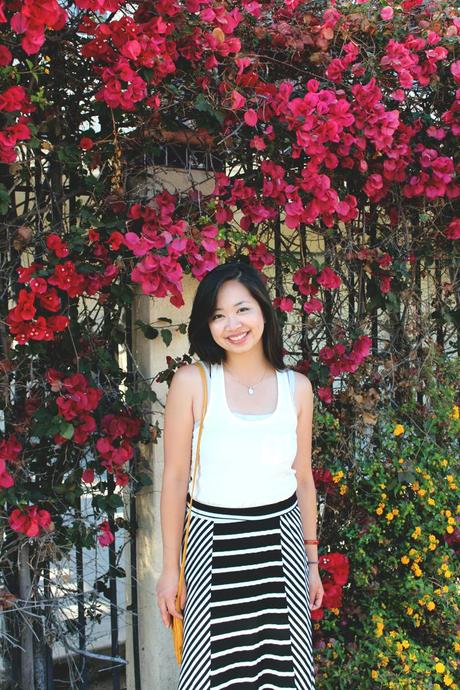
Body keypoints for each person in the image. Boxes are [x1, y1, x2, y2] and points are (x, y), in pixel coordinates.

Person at [156, 261, 324, 689]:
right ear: (207, 325)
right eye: (217, 314)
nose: (232, 324)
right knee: (213, 676)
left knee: (283, 676)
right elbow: (175, 479)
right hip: (213, 550)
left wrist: (310, 562)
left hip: (281, 546)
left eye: (241, 309)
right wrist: (170, 569)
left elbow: (302, 478)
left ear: (264, 311)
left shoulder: (297, 388)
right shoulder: (193, 382)